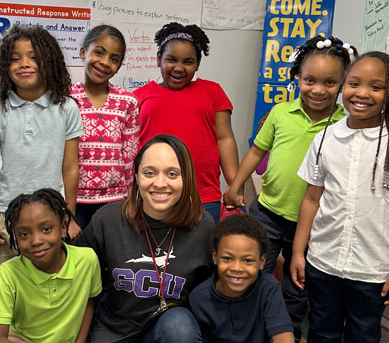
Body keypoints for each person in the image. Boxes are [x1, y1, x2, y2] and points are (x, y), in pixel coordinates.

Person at [290, 51, 389, 343]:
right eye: (354, 83)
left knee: (363, 336)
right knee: (322, 331)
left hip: (373, 269)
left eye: (376, 87)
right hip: (323, 261)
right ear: (344, 85)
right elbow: (311, 199)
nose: (362, 93)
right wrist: (297, 251)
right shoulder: (325, 138)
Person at [223, 35, 356, 342]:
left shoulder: (344, 123)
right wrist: (235, 185)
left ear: (343, 83)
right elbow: (256, 151)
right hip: (267, 213)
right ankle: (248, 332)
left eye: (330, 82)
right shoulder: (281, 113)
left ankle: (289, 334)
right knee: (252, 276)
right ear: (297, 77)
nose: (319, 90)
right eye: (310, 80)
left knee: (297, 288)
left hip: (314, 225)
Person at [75, 134, 214, 342]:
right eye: (149, 173)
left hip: (168, 328)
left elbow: (214, 292)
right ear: (137, 176)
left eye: (172, 174)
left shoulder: (203, 226)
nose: (160, 183)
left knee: (179, 325)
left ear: (186, 178)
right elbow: (75, 275)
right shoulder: (108, 219)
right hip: (114, 330)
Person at [0, 24, 84, 271]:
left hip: (52, 215)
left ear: (50, 62)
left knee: (50, 286)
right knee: (8, 287)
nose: (24, 64)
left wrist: (68, 216)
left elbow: (70, 167)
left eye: (34, 57)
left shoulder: (67, 108)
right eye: (15, 59)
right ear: (5, 66)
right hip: (7, 214)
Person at [135, 22, 239, 223]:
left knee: (200, 251)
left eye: (188, 62)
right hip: (153, 192)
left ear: (198, 64)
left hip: (203, 195)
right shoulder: (140, 96)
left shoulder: (213, 92)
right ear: (158, 59)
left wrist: (234, 185)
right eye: (171, 60)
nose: (179, 68)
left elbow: (225, 139)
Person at [0, 188, 101, 343]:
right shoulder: (8, 272)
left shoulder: (87, 260)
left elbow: (88, 303)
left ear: (63, 226)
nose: (36, 241)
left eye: (46, 229)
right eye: (24, 234)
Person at [70, 24, 139, 229]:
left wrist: (130, 200)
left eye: (114, 59)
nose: (104, 62)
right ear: (83, 52)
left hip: (115, 201)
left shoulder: (127, 102)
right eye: (99, 52)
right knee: (77, 256)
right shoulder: (65, 99)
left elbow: (130, 156)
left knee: (108, 257)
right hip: (75, 201)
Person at [190, 214, 294, 343]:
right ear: (215, 257)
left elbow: (284, 338)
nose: (237, 268)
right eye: (227, 258)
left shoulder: (269, 288)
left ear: (262, 262)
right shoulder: (199, 298)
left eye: (248, 260)